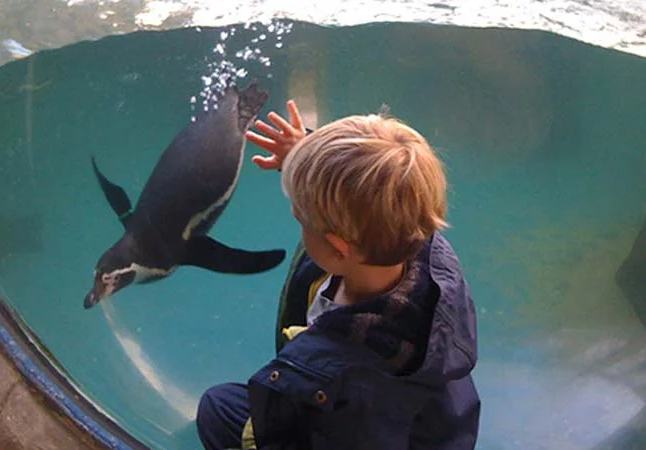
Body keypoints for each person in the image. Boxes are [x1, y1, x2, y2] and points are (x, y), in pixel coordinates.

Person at [196, 99, 480, 450]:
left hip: (354, 429)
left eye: (302, 216)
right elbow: (376, 189)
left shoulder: (358, 386)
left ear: (339, 247)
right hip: (431, 421)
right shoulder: (410, 236)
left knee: (216, 409)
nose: (298, 218)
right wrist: (306, 155)